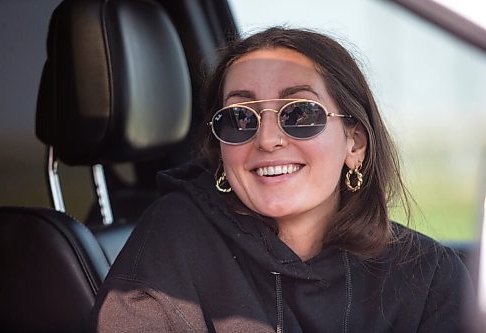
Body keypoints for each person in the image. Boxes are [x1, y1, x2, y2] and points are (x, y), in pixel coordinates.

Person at [90, 27, 472, 332]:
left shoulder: (428, 275)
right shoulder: (173, 242)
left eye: (300, 113)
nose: (268, 139)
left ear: (354, 143)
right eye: (239, 118)